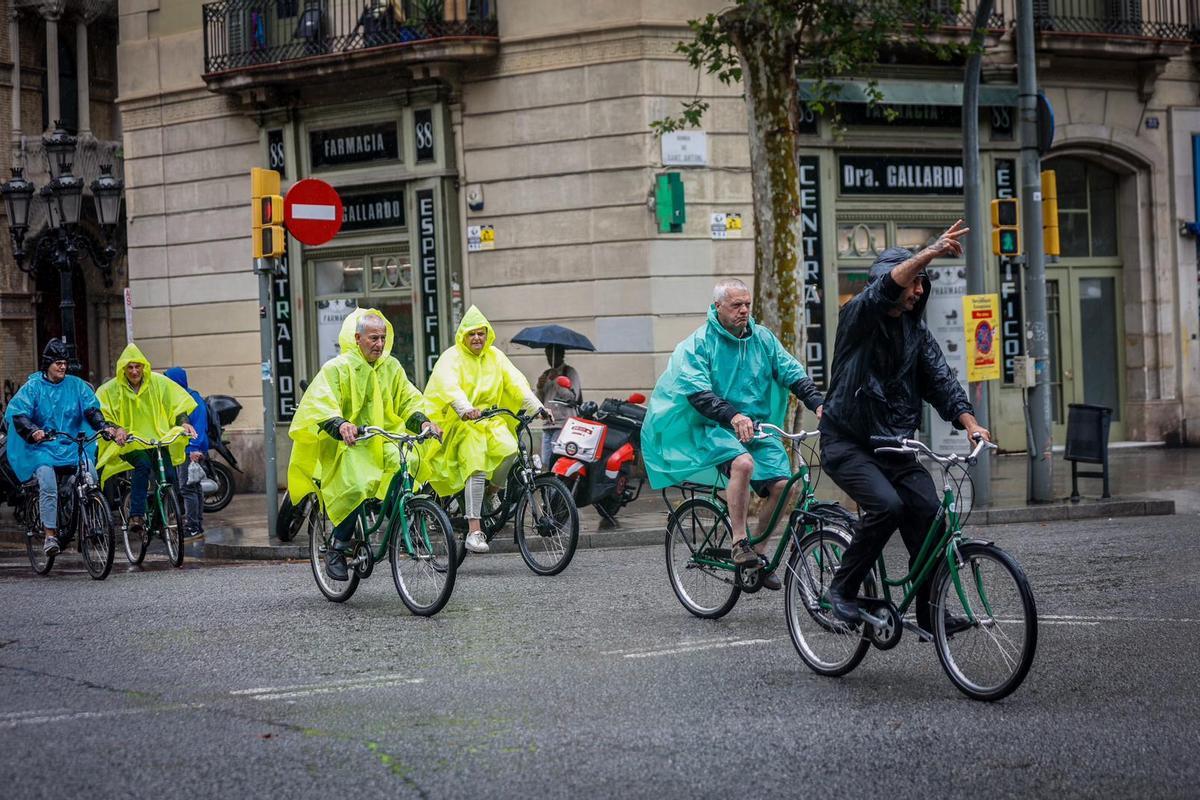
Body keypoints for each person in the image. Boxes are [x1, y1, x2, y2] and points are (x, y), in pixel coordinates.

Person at [819, 220, 991, 631]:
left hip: (895, 445)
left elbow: (941, 381)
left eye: (922, 284)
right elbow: (886, 291)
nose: (918, 290)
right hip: (848, 443)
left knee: (930, 514)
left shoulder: (915, 331)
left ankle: (930, 611)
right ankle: (840, 589)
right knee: (887, 506)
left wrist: (969, 422)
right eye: (914, 282)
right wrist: (929, 251)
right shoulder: (857, 315)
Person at [641, 278, 824, 590]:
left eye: (747, 304)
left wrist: (818, 403)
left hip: (758, 429)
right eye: (736, 305)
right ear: (717, 307)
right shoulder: (700, 343)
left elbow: (791, 372)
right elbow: (697, 392)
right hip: (714, 427)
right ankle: (740, 541)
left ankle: (759, 558)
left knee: (785, 488)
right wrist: (733, 415)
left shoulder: (762, 339)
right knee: (742, 464)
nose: (744, 310)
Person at [288, 308, 439, 581]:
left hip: (383, 440)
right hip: (349, 444)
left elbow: (407, 399)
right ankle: (338, 546)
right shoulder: (338, 367)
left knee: (411, 461)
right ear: (357, 338)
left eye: (382, 338)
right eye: (373, 338)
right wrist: (341, 424)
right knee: (355, 483)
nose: (379, 344)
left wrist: (424, 422)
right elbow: (321, 402)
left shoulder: (391, 367)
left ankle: (401, 522)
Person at [421, 306, 551, 554]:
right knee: (476, 464)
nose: (477, 338)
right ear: (463, 336)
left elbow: (515, 383)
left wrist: (538, 407)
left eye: (481, 333)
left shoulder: (495, 356)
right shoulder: (451, 357)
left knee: (511, 450)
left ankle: (493, 492)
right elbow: (448, 385)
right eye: (472, 334)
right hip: (462, 425)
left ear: (487, 334)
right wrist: (465, 408)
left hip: (490, 421)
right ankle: (474, 531)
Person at [3, 340, 126, 556]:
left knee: (90, 473)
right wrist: (33, 431)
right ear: (47, 364)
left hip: (70, 445)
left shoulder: (77, 385)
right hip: (42, 448)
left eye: (64, 363)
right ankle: (50, 535)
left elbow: (91, 410)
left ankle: (91, 520)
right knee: (48, 482)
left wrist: (104, 427)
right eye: (58, 363)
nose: (62, 367)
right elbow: (18, 414)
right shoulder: (33, 387)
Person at [96, 344, 198, 542]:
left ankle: (161, 519)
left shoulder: (159, 383)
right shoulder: (111, 389)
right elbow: (102, 412)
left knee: (169, 476)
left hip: (156, 441)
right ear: (123, 369)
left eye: (138, 367)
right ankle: (136, 515)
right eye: (130, 367)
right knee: (142, 465)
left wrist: (184, 423)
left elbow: (177, 406)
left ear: (144, 367)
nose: (134, 371)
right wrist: (117, 428)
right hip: (130, 443)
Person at [164, 367, 209, 538]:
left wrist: (193, 449)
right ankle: (196, 523)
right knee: (194, 487)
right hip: (191, 447)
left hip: (190, 449)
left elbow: (198, 425)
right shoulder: (188, 396)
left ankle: (193, 527)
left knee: (188, 488)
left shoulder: (190, 398)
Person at [535, 345, 582, 467]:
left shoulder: (569, 372)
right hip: (547, 423)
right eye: (548, 355)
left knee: (558, 461)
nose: (550, 359)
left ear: (561, 355)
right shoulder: (546, 373)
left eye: (553, 355)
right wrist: (539, 387)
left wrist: (557, 380)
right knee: (546, 461)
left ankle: (556, 485)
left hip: (563, 424)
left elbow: (572, 397)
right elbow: (539, 400)